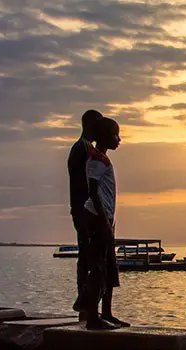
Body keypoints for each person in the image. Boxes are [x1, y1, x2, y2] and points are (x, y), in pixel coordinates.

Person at [79, 117, 127, 330]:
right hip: (98, 217)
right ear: (105, 136)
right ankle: (92, 316)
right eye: (116, 135)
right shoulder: (98, 159)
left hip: (105, 217)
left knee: (109, 267)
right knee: (99, 268)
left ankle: (106, 312)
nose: (119, 139)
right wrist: (103, 222)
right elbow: (93, 191)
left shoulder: (102, 158)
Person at [68, 110, 102, 317]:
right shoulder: (81, 149)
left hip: (88, 209)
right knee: (87, 257)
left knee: (92, 257)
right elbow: (85, 184)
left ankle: (90, 307)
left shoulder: (89, 148)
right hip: (84, 210)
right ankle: (86, 307)